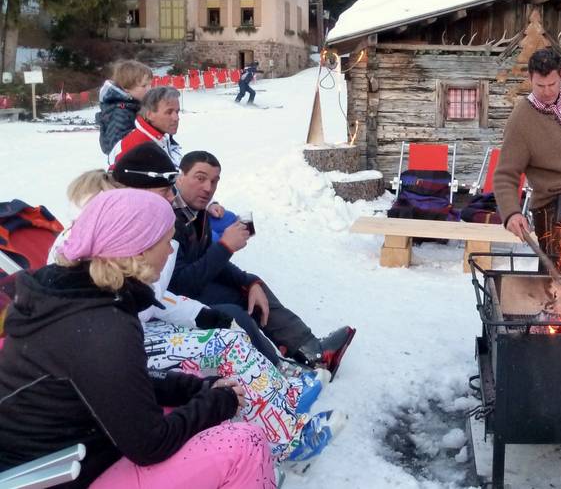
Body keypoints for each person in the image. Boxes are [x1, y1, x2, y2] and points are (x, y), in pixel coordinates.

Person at [62, 144, 342, 463]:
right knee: (226, 340)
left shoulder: (167, 217)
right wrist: (222, 257)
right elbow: (161, 290)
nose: (174, 196)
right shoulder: (114, 230)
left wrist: (220, 301)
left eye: (214, 181)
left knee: (233, 318)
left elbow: (153, 294)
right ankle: (286, 442)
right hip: (121, 342)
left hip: (137, 326)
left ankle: (285, 391)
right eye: (195, 179)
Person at [0, 189, 276, 488]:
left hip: (54, 452)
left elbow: (115, 384)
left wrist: (194, 388)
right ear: (139, 250)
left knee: (193, 389)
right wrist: (218, 403)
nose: (170, 252)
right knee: (244, 443)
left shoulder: (72, 294)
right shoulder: (104, 325)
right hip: (55, 475)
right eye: (166, 241)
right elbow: (150, 445)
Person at [170, 150, 356, 378]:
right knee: (234, 314)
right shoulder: (169, 218)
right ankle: (275, 372)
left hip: (192, 287)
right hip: (172, 301)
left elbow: (209, 259)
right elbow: (179, 285)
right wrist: (225, 247)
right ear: (180, 177)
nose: (208, 188)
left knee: (251, 289)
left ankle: (313, 352)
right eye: (200, 178)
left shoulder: (197, 212)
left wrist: (249, 281)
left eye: (214, 181)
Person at [493, 48, 561, 269]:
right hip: (551, 209)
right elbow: (505, 175)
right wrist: (511, 213)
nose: (547, 91)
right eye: (540, 86)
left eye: (552, 84)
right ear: (530, 78)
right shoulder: (521, 119)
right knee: (556, 282)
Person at [108, 86, 183, 168]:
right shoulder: (138, 148)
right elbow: (116, 173)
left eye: (177, 112)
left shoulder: (161, 137)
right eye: (169, 112)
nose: (176, 118)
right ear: (149, 115)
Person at [96, 60, 153, 155]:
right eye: (144, 86)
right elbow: (116, 148)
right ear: (126, 88)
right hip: (129, 161)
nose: (149, 89)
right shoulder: (119, 112)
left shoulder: (135, 106)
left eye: (150, 84)